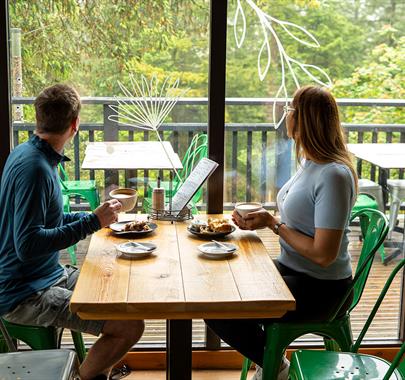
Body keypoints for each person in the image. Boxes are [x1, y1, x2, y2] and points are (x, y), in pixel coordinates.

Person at [205, 85, 358, 380]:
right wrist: (265, 219)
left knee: (218, 306)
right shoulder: (310, 163)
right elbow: (301, 222)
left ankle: (278, 368)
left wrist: (274, 225)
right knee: (219, 285)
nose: (285, 115)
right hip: (293, 271)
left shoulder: (334, 175)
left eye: (289, 110)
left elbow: (323, 254)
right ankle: (271, 359)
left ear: (303, 120)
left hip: (321, 289)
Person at [0, 84, 145, 380]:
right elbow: (27, 244)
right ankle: (85, 377)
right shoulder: (36, 169)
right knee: (130, 326)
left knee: (119, 286)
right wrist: (91, 223)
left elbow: (47, 219)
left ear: (38, 118)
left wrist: (93, 217)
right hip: (23, 293)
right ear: (75, 124)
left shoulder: (27, 154)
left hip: (47, 274)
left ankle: (93, 370)